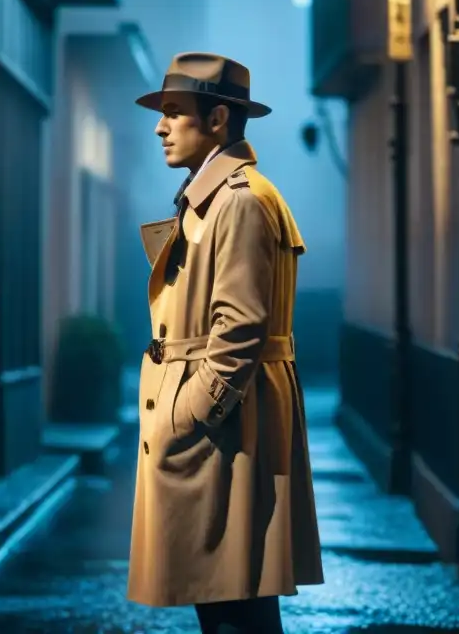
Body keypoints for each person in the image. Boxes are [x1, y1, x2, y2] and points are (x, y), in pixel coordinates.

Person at [127, 52, 324, 634]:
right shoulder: (216, 195)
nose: (160, 127)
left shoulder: (236, 199)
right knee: (231, 603)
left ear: (217, 120)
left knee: (234, 606)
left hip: (226, 429)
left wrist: (187, 416)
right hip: (227, 424)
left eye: (173, 113)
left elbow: (239, 328)